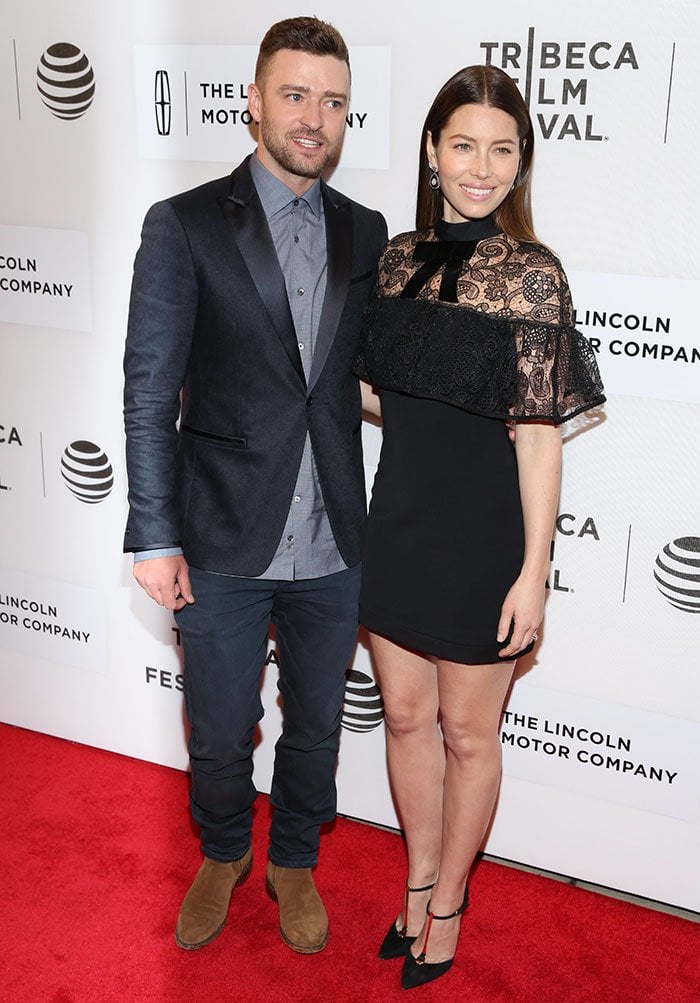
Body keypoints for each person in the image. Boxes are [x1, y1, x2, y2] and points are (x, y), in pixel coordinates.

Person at [123, 16, 387, 955]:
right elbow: (151, 387)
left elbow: (357, 374)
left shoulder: (368, 231)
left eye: (333, 101)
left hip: (334, 538)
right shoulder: (186, 223)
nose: (313, 117)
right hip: (223, 533)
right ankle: (226, 851)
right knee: (222, 726)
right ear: (253, 99)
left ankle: (295, 860)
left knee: (317, 722)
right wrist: (154, 534)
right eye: (295, 93)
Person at [354, 65, 605, 990]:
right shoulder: (396, 259)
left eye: (504, 149)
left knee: (468, 732)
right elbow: (381, 389)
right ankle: (415, 879)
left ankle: (451, 900)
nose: (481, 166)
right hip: (399, 524)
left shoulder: (533, 275)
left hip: (481, 540)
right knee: (407, 719)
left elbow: (540, 440)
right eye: (464, 144)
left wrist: (533, 568)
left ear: (521, 164)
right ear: (431, 149)